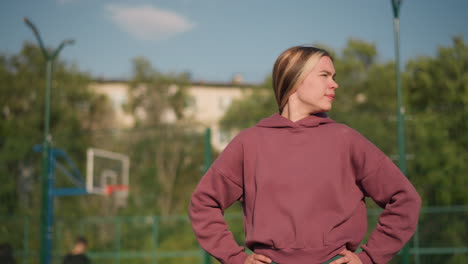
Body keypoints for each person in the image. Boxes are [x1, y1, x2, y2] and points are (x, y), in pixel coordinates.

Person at [188, 46, 421, 264]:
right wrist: (235, 258)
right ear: (296, 78)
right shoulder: (249, 143)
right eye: (325, 75)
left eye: (334, 77)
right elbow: (203, 203)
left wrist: (369, 257)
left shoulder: (345, 139)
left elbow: (405, 200)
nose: (334, 84)